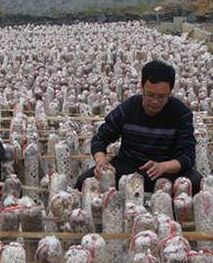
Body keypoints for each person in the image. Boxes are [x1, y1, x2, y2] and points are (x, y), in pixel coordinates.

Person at [75, 60, 202, 193]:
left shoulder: (181, 113)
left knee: (196, 183)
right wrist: (101, 161)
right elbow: (100, 138)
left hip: (164, 170)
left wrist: (163, 166)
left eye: (162, 97)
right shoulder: (129, 107)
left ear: (170, 92)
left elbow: (187, 155)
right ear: (142, 88)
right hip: (129, 167)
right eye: (150, 95)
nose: (155, 101)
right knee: (84, 181)